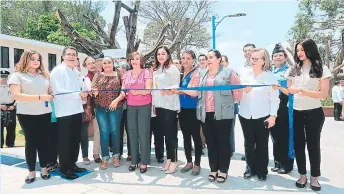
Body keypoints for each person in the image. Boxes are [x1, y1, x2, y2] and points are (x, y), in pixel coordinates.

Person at [187, 49, 243, 183]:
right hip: (206, 113)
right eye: (207, 57)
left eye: (211, 57)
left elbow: (238, 91)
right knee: (211, 142)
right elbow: (193, 90)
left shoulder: (229, 73)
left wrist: (229, 103)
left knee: (223, 142)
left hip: (223, 114)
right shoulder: (201, 73)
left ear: (219, 59)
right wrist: (177, 90)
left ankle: (223, 170)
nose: (208, 59)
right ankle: (213, 169)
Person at [285, 39, 331, 191]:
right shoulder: (293, 68)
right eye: (298, 50)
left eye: (302, 50)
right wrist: (280, 88)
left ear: (310, 50)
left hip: (314, 113)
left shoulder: (321, 68)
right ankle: (302, 175)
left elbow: (323, 94)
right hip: (297, 112)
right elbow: (289, 88)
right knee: (299, 145)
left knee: (313, 145)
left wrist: (303, 91)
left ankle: (314, 177)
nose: (299, 53)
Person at [9, 50, 54, 183]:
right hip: (26, 114)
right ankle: (32, 172)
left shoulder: (45, 75)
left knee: (44, 142)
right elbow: (16, 95)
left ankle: (44, 169)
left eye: (38, 59)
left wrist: (51, 95)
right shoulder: (17, 75)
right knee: (31, 142)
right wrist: (40, 97)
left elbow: (50, 91)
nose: (36, 61)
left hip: (45, 113)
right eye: (33, 59)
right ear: (25, 59)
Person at [239, 48, 279, 181]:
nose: (253, 61)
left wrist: (273, 115)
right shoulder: (244, 74)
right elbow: (236, 94)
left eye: (256, 59)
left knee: (262, 143)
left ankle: (262, 170)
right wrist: (243, 91)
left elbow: (274, 98)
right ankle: (250, 167)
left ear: (264, 61)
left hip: (263, 115)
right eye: (251, 58)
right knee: (248, 143)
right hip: (245, 114)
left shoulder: (270, 77)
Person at [50, 46, 88, 179]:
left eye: (74, 55)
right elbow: (59, 91)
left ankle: (73, 164)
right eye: (69, 54)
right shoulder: (57, 71)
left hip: (77, 109)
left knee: (74, 140)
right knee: (64, 141)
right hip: (64, 112)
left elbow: (81, 87)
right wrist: (79, 94)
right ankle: (65, 168)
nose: (72, 57)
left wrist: (84, 93)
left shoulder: (76, 72)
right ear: (63, 56)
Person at [92, 56, 125, 169]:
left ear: (113, 63)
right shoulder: (98, 75)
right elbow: (93, 88)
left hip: (116, 107)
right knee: (104, 132)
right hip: (101, 108)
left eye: (109, 62)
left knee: (115, 131)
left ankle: (116, 156)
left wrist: (116, 101)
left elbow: (123, 91)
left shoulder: (119, 74)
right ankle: (105, 158)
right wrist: (94, 92)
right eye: (104, 63)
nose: (106, 65)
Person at [122, 52, 153, 173]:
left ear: (141, 61)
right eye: (132, 59)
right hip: (131, 106)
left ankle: (144, 161)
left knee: (143, 133)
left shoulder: (146, 72)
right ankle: (134, 160)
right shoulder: (126, 74)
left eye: (137, 59)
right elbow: (123, 89)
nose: (134, 61)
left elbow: (148, 89)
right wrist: (122, 93)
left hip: (144, 105)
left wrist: (138, 92)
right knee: (132, 133)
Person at [173, 50, 202, 176]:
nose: (185, 60)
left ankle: (197, 164)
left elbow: (195, 92)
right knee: (185, 137)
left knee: (196, 137)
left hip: (194, 109)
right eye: (183, 58)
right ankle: (188, 162)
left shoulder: (196, 73)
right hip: (183, 110)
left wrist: (182, 90)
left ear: (193, 60)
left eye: (188, 58)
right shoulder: (180, 74)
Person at [152, 45, 180, 174]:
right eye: (158, 54)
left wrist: (169, 92)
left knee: (171, 135)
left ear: (168, 55)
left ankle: (174, 161)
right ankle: (168, 160)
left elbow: (175, 86)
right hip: (159, 105)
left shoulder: (172, 68)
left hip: (170, 106)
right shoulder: (157, 69)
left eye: (163, 54)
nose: (161, 56)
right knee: (164, 134)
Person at [270, 43, 295, 174]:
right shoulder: (270, 72)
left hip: (284, 104)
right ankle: (277, 162)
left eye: (281, 55)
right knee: (274, 136)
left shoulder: (289, 70)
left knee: (285, 135)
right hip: (271, 106)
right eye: (275, 55)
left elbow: (291, 92)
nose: (278, 57)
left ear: (285, 57)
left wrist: (278, 87)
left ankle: (287, 164)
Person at [83, 56, 102, 163]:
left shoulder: (101, 73)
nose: (91, 65)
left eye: (93, 62)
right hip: (96, 106)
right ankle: (96, 154)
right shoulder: (87, 78)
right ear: (85, 65)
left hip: (106, 106)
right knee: (97, 130)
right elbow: (91, 93)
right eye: (88, 63)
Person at [117, 61, 132, 161]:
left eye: (121, 68)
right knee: (118, 131)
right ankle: (118, 152)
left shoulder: (130, 78)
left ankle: (131, 153)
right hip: (118, 109)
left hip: (129, 108)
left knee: (129, 131)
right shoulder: (116, 79)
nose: (119, 70)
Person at [1, 70, 16, 148]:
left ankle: (10, 144)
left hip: (11, 107)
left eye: (5, 77)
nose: (4, 79)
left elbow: (17, 97)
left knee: (11, 127)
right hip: (0, 108)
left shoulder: (11, 87)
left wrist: (14, 106)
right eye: (2, 77)